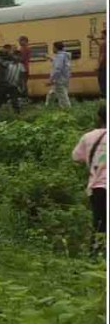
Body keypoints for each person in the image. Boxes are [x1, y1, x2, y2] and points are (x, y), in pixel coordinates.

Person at [72, 105, 106, 256]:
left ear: (99, 118)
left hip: (98, 187)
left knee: (100, 223)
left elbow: (76, 157)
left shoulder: (89, 137)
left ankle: (96, 255)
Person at [46, 41, 72, 108]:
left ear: (56, 48)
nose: (53, 49)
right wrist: (51, 58)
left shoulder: (59, 56)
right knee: (52, 93)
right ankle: (48, 106)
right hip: (64, 78)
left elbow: (57, 69)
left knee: (63, 97)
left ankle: (67, 110)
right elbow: (60, 64)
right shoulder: (65, 55)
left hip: (59, 79)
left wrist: (51, 80)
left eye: (53, 47)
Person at [89, 27, 106, 98]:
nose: (101, 36)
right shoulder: (104, 44)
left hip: (104, 67)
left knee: (103, 83)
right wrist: (94, 39)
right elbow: (100, 45)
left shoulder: (104, 44)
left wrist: (98, 66)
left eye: (102, 35)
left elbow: (102, 55)